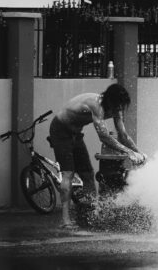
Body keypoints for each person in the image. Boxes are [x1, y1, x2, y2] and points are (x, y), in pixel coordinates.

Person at [48, 83, 146, 229]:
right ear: (110, 101)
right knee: (68, 173)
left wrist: (138, 153)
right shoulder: (96, 105)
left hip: (76, 133)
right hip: (60, 131)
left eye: (121, 106)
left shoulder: (116, 108)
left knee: (88, 173)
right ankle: (65, 220)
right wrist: (129, 152)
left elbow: (123, 135)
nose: (119, 109)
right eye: (117, 105)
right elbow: (104, 137)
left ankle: (89, 215)